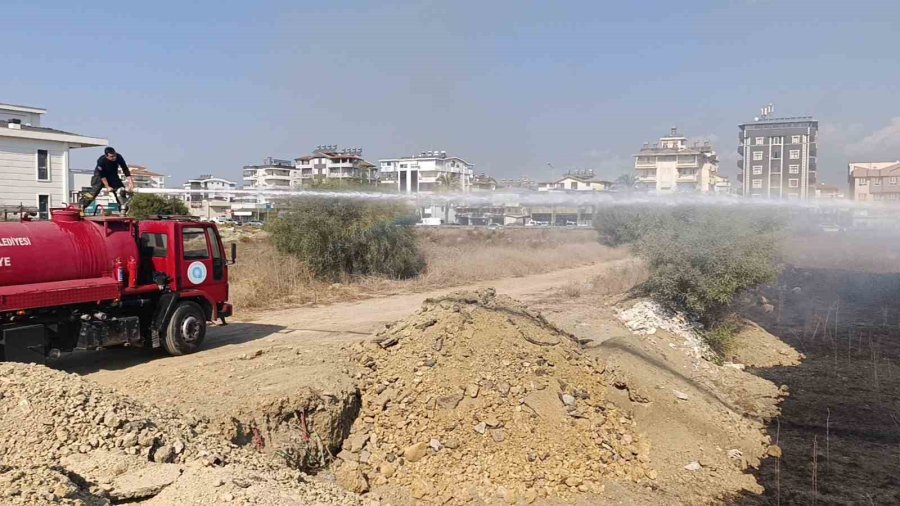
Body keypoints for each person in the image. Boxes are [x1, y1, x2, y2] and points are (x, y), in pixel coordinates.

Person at [80, 147, 134, 211]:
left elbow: (125, 169)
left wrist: (130, 182)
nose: (114, 157)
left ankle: (123, 209)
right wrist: (107, 186)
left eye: (114, 155)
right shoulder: (101, 161)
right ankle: (82, 206)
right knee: (93, 192)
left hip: (113, 175)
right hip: (100, 176)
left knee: (121, 190)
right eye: (111, 156)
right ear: (106, 156)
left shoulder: (119, 157)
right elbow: (102, 175)